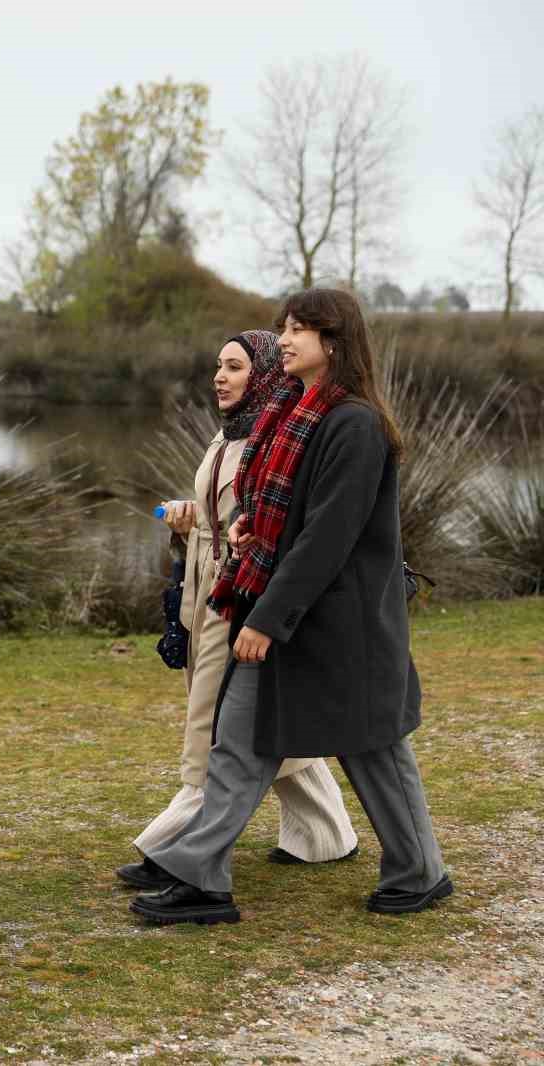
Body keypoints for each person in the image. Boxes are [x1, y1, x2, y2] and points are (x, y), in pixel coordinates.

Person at [131, 288, 453, 926]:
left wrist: (266, 619)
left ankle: (420, 873)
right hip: (279, 605)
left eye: (301, 328)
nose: (285, 337)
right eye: (285, 326)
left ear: (335, 341)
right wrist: (251, 530)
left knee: (376, 750)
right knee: (239, 743)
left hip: (342, 626)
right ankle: (201, 879)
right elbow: (286, 514)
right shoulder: (290, 412)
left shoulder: (355, 423)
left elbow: (328, 536)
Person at [116, 330, 359, 893]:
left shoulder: (277, 443)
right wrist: (188, 520)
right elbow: (219, 516)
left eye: (234, 367)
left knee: (211, 727)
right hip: (204, 597)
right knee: (266, 723)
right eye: (217, 366)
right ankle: (325, 835)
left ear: (266, 373)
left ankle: (172, 847)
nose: (219, 377)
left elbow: (273, 528)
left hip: (241, 598)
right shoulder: (227, 437)